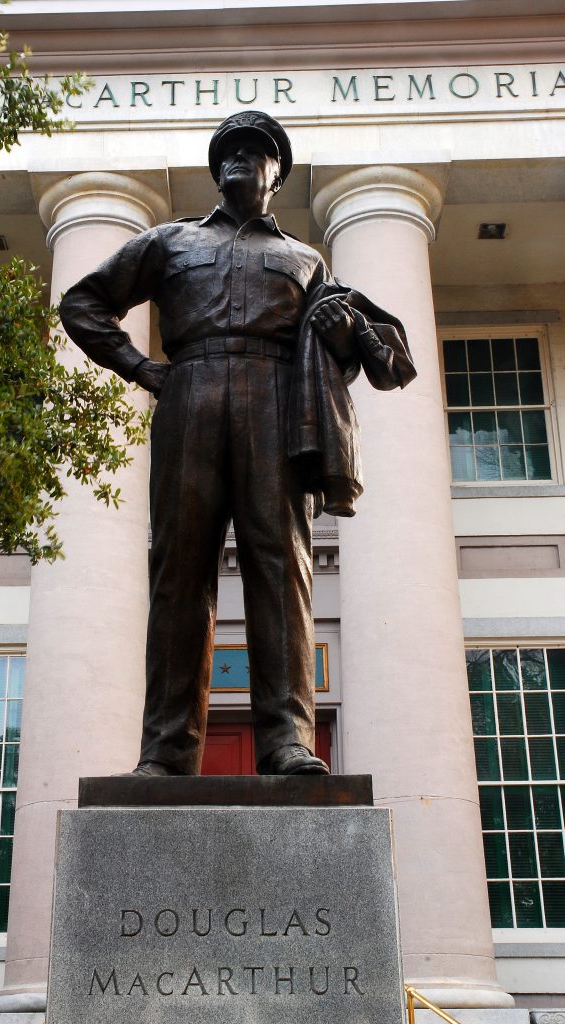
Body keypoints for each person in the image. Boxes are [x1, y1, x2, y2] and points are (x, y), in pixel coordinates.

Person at [59, 111, 415, 777]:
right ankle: (165, 750)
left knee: (280, 571)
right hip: (189, 391)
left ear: (276, 173)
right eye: (227, 150)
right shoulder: (167, 241)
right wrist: (142, 369)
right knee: (178, 571)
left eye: (254, 152)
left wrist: (341, 332)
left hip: (275, 402)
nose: (238, 160)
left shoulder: (303, 259)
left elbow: (336, 357)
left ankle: (284, 741)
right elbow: (82, 302)